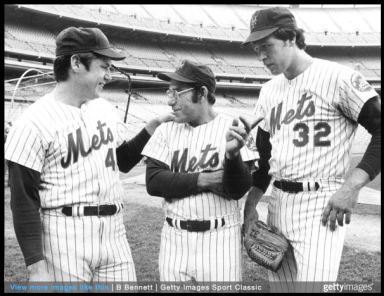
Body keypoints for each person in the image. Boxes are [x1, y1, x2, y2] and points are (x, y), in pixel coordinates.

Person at [4, 27, 174, 283]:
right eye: (104, 66)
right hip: (64, 234)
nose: (109, 75)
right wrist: (35, 267)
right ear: (76, 63)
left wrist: (150, 127)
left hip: (115, 231)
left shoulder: (104, 109)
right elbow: (23, 199)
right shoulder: (31, 122)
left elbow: (121, 161)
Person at [241, 6, 381, 292]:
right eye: (256, 49)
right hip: (278, 203)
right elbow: (266, 157)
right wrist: (252, 202)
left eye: (266, 46)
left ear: (291, 37)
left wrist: (352, 186)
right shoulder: (268, 90)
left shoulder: (338, 78)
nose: (261, 56)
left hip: (322, 204)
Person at [141, 60, 259, 282]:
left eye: (177, 92)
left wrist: (232, 157)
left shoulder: (233, 129)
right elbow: (155, 182)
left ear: (202, 93)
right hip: (173, 239)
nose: (170, 101)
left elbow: (236, 190)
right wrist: (206, 179)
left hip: (221, 239)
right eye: (169, 92)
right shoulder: (165, 130)